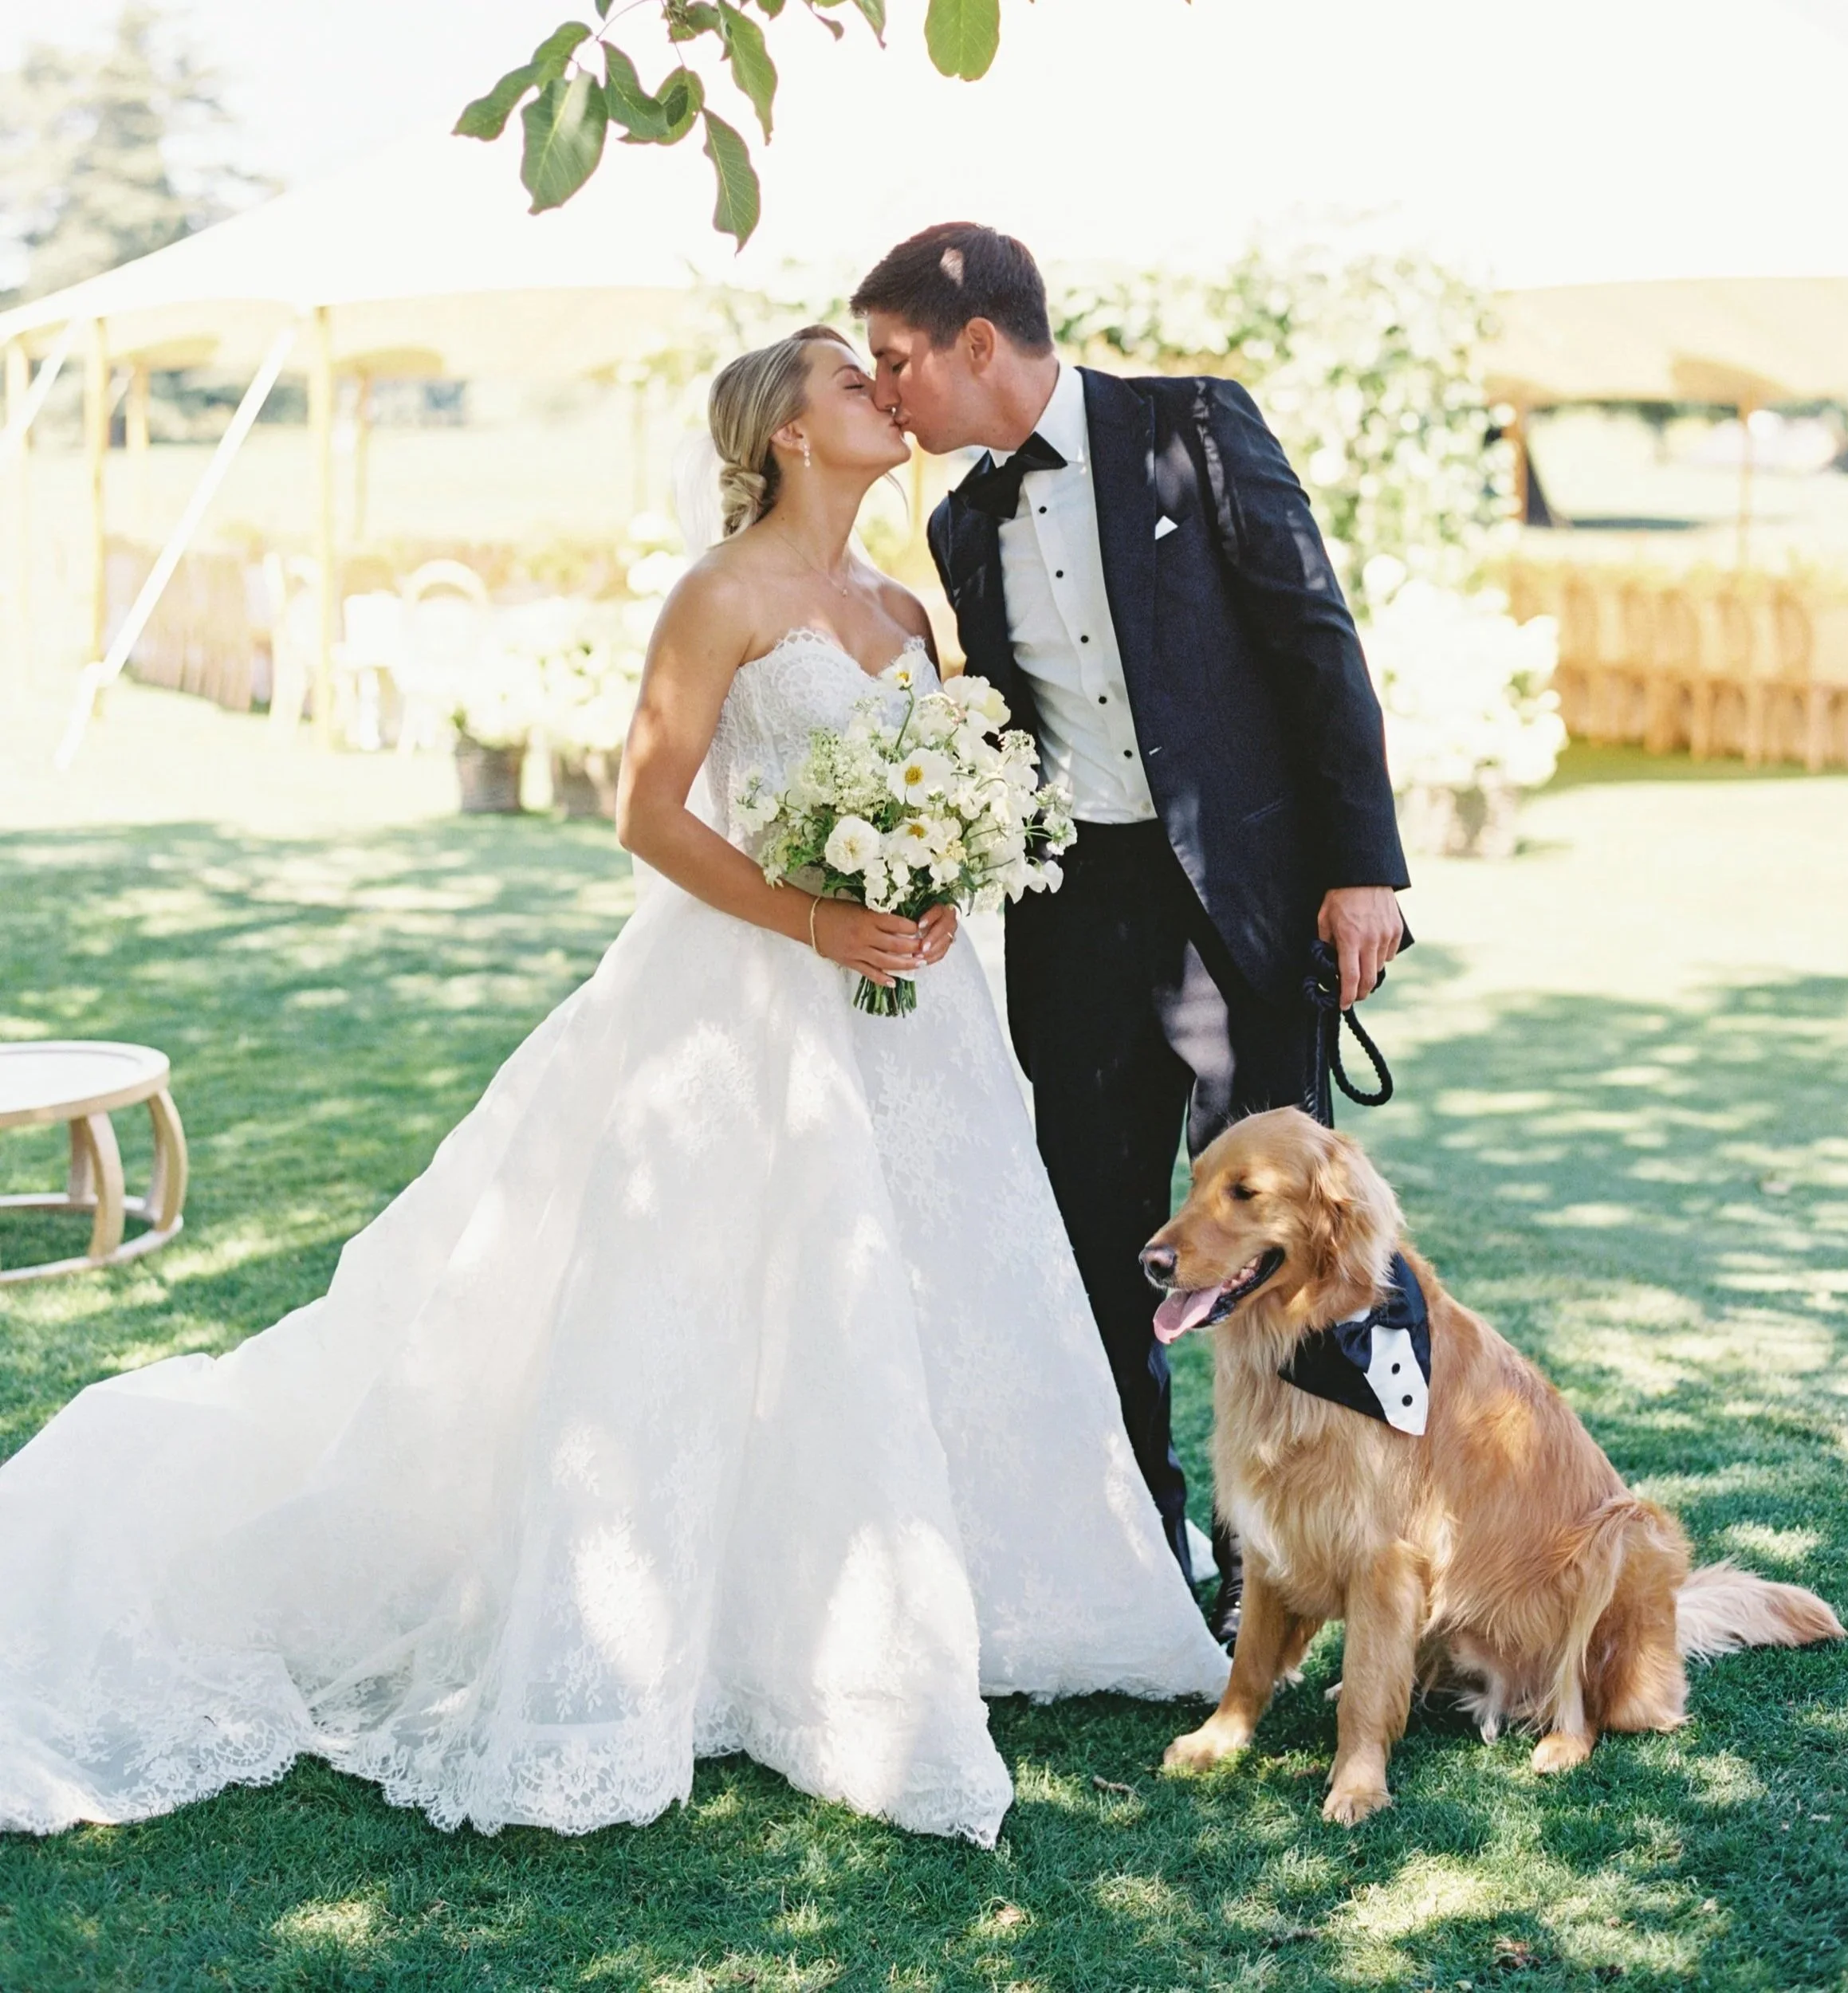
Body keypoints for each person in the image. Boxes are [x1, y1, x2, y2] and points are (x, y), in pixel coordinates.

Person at [0, 327, 1228, 1852]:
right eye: (853, 380)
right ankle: (708, 1628)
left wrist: (934, 887)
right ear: (783, 430)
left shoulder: (907, 603)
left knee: (941, 1287)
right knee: (704, 1305)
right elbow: (649, 811)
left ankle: (968, 1590)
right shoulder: (718, 600)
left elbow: (946, 789)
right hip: (751, 1002)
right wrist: (816, 917)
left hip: (918, 1019)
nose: (886, 398)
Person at [854, 226, 1410, 1644]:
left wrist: (1362, 870)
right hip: (1076, 926)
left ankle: (1291, 1562)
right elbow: (1013, 729)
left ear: (980, 342)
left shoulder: (1196, 429)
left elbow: (1314, 639)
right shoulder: (955, 524)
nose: (886, 389)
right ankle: (1131, 1555)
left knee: (1282, 1247)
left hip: (1244, 913)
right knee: (1102, 1244)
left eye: (900, 358)